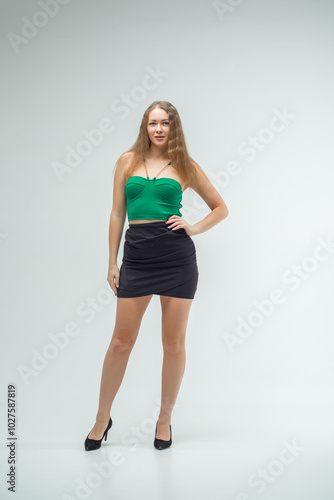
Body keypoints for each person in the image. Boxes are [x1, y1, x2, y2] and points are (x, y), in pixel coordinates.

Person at [84, 100, 229, 451]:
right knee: (121, 341)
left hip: (177, 258)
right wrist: (111, 261)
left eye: (165, 123)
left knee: (173, 343)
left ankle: (164, 419)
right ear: (145, 127)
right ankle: (102, 418)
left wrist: (193, 227)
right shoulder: (126, 161)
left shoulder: (185, 166)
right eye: (153, 123)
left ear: (173, 127)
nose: (159, 129)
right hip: (136, 257)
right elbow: (118, 213)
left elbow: (221, 208)